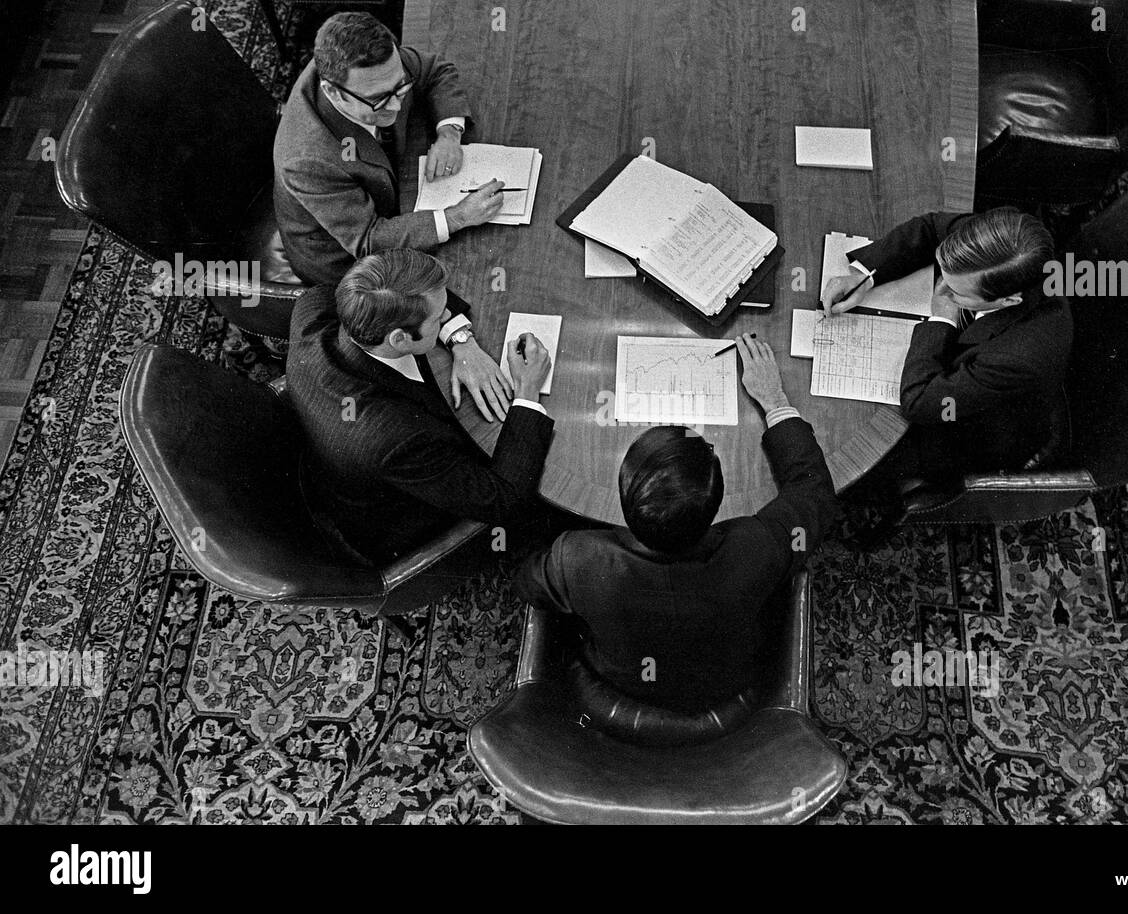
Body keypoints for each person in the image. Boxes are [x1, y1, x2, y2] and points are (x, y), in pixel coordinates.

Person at [513, 335, 838, 715]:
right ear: (717, 504)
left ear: (623, 501)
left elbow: (526, 584)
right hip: (726, 679)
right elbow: (815, 492)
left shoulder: (578, 557)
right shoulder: (757, 546)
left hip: (620, 679)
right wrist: (775, 401)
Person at [286, 249, 553, 564]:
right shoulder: (397, 440)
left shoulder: (313, 307)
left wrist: (460, 339)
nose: (445, 316)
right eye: (439, 318)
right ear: (399, 339)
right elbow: (503, 498)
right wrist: (527, 390)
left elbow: (411, 297)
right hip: (403, 518)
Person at [822, 207, 1073, 487]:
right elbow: (930, 227)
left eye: (956, 292)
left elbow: (919, 403)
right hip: (967, 372)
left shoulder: (1016, 358)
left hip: (970, 434)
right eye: (944, 276)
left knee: (837, 468)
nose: (941, 289)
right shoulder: (993, 242)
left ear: (1008, 302)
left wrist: (941, 316)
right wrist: (864, 273)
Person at [274, 12, 505, 286]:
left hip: (392, 193)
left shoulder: (371, 68)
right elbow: (368, 240)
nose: (395, 106)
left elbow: (434, 71)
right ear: (333, 92)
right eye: (379, 100)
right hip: (347, 263)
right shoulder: (307, 159)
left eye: (400, 88)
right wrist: (457, 217)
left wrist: (449, 133)